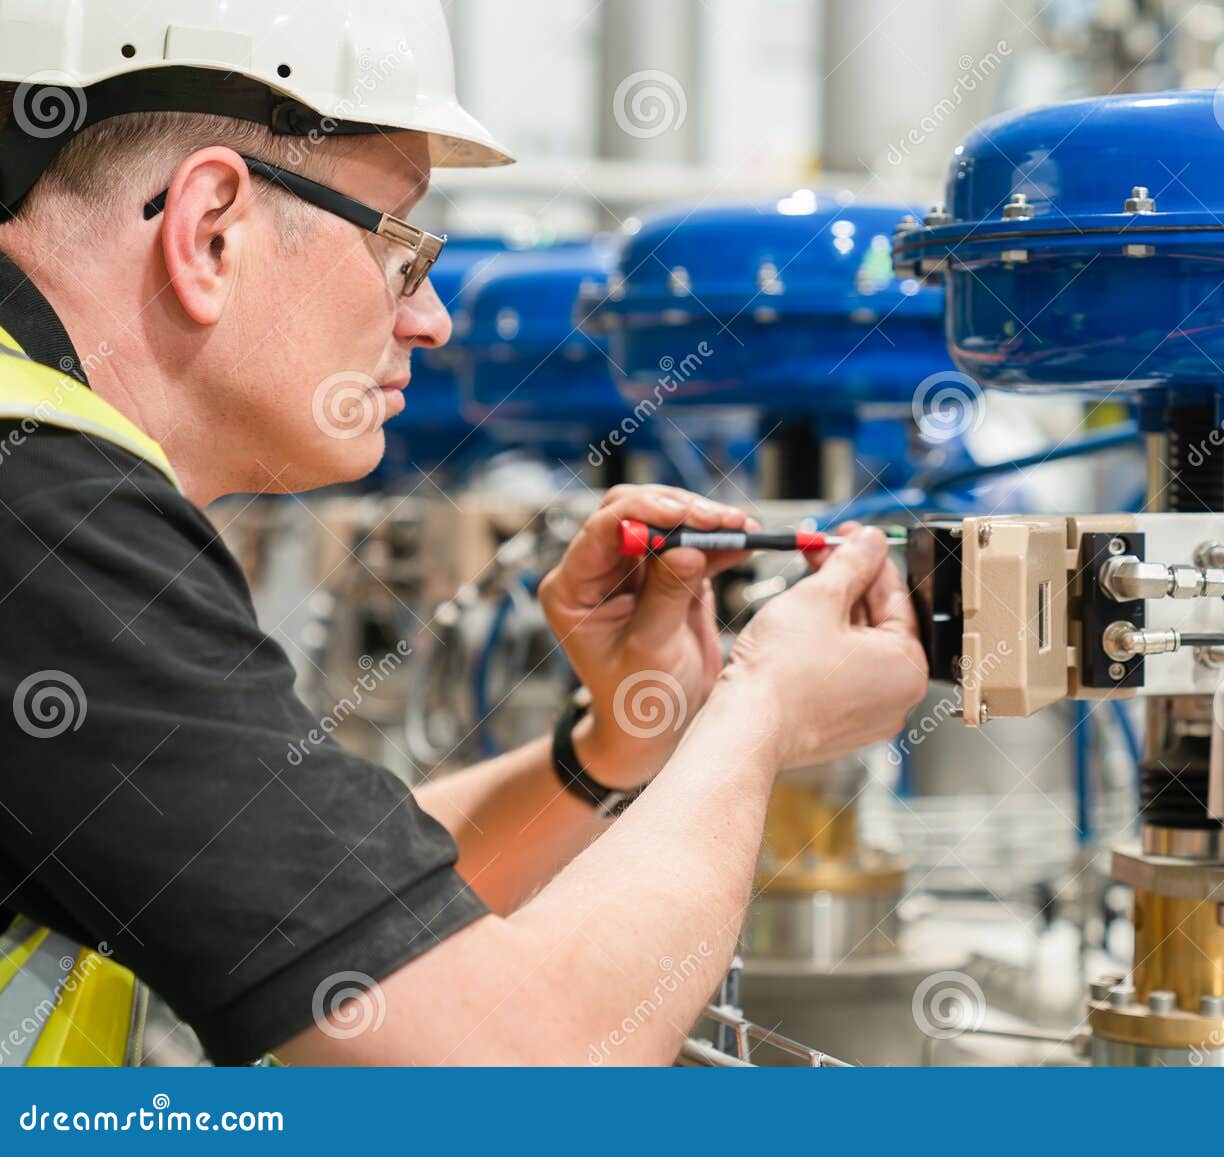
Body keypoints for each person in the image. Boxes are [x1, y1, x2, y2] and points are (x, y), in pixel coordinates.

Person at [0, 1, 928, 1066]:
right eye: (402, 243)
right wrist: (762, 708)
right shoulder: (41, 514)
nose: (432, 316)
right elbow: (516, 1075)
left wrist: (612, 747)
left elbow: (353, 941)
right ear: (211, 226)